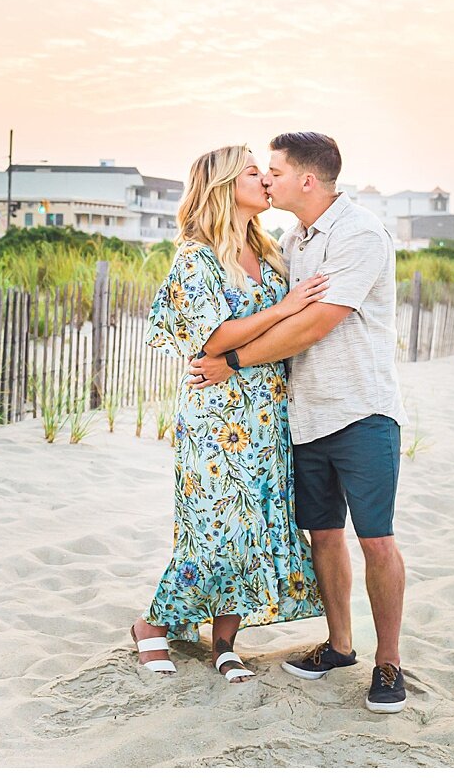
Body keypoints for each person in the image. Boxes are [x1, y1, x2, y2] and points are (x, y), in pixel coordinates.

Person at [188, 131, 409, 713]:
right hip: (306, 415)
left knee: (376, 538)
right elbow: (274, 315)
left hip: (362, 410)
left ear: (306, 181)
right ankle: (340, 646)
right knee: (324, 535)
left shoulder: (359, 235)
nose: (267, 180)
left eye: (276, 171)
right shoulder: (293, 240)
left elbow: (316, 325)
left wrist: (231, 361)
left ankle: (389, 663)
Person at [131, 144, 327, 683]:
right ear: (222, 187)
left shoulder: (268, 254)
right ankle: (152, 625)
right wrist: (285, 308)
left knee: (254, 520)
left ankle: (224, 641)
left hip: (266, 411)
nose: (265, 179)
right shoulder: (196, 256)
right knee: (213, 527)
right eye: (251, 172)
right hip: (216, 413)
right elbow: (211, 338)